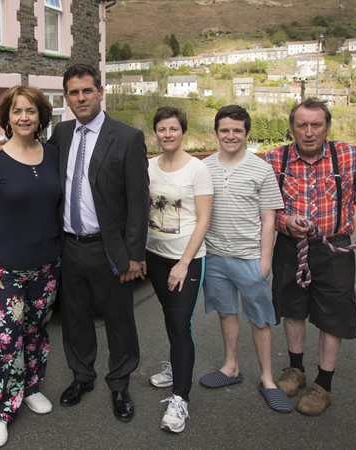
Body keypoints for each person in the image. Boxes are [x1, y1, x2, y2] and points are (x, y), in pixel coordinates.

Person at [264, 98, 356, 416]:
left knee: (333, 316)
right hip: (291, 247)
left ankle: (323, 384)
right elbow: (265, 207)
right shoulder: (276, 158)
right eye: (301, 125)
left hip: (335, 247)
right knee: (292, 309)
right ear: (292, 127)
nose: (308, 132)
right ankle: (295, 369)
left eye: (316, 125)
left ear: (327, 127)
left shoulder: (348, 154)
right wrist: (284, 222)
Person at [53, 64, 149, 422]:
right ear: (67, 96)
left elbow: (139, 201)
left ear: (100, 91)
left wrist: (134, 256)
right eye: (74, 93)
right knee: (75, 318)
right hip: (69, 246)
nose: (80, 98)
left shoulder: (127, 137)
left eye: (87, 91)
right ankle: (82, 376)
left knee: (119, 319)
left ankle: (120, 384)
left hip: (109, 249)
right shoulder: (60, 133)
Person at [0, 85, 62, 447]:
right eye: (17, 111)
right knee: (3, 340)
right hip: (5, 269)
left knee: (36, 332)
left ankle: (29, 387)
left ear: (41, 116)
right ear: (6, 117)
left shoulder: (53, 154)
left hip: (47, 265)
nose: (24, 117)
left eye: (31, 111)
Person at [196, 105, 293, 414]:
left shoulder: (261, 169)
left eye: (237, 130)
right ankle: (230, 367)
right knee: (226, 313)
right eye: (225, 130)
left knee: (261, 320)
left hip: (251, 258)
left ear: (247, 134)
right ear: (216, 133)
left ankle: (267, 379)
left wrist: (264, 263)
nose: (231, 135)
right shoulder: (204, 168)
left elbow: (269, 221)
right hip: (215, 258)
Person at [144, 107, 213, 433]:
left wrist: (184, 263)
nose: (167, 134)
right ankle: (176, 367)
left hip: (186, 259)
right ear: (155, 132)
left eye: (173, 129)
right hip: (154, 256)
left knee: (180, 321)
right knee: (171, 317)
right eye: (162, 129)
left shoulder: (197, 170)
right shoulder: (148, 166)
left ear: (182, 131)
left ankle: (180, 398)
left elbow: (203, 220)